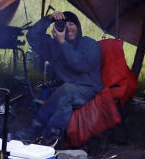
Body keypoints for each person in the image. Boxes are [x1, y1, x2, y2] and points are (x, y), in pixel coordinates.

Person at [15, 10, 102, 145]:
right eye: (63, 24)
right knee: (64, 100)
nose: (68, 28)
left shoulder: (89, 44)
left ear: (78, 27)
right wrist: (49, 19)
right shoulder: (54, 46)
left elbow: (80, 65)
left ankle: (41, 136)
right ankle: (49, 136)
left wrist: (63, 43)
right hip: (65, 92)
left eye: (71, 24)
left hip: (89, 89)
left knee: (65, 90)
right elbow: (32, 36)